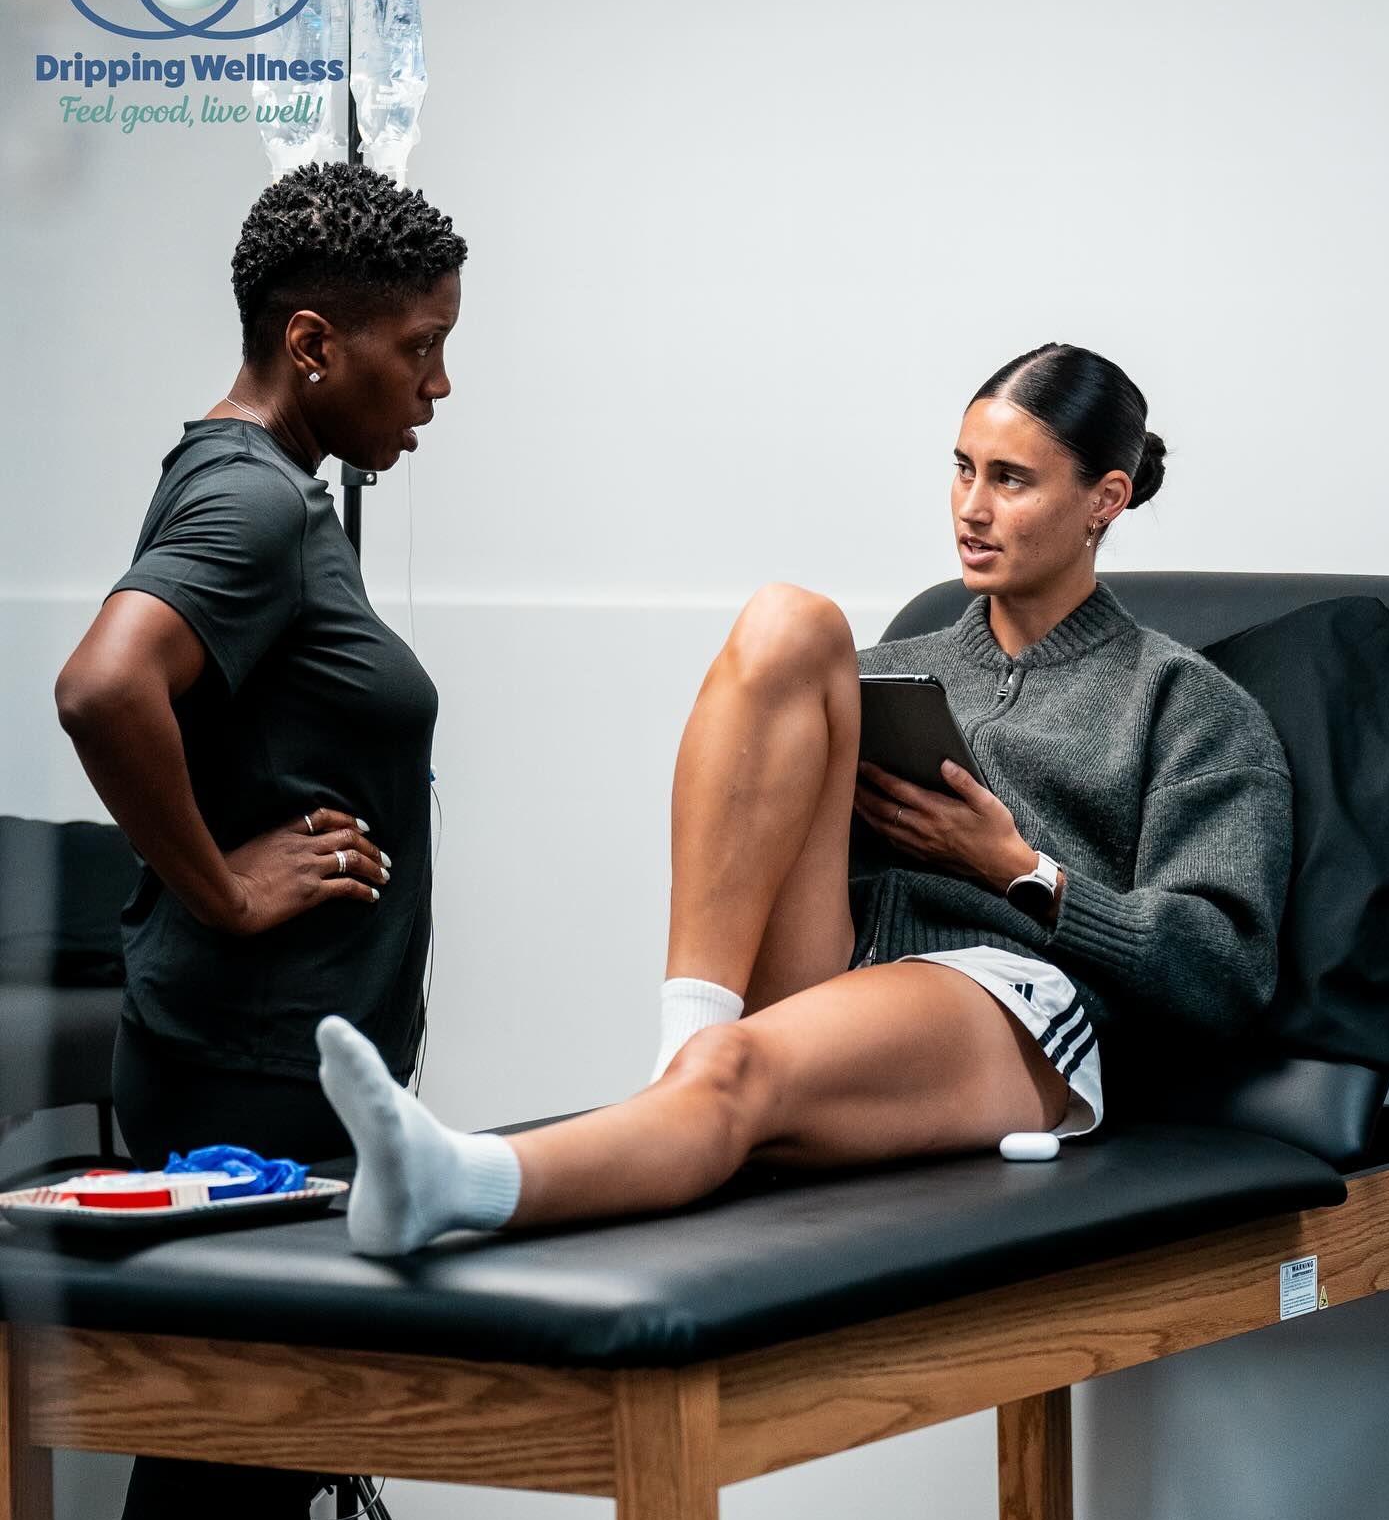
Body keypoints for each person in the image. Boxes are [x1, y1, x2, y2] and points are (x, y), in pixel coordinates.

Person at [311, 342, 1294, 1258]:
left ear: (1104, 500)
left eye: (1011, 480)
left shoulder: (1183, 703)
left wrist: (1017, 869)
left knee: (734, 1074)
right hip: (852, 967)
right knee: (789, 621)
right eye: (962, 469)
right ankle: (686, 1042)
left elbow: (1225, 971)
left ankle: (459, 1180)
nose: (971, 508)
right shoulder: (896, 666)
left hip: (1012, 1003)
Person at [53, 160, 467, 1520]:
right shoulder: (259, 506)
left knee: (239, 1492)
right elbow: (103, 686)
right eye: (420, 347)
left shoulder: (255, 482)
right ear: (312, 344)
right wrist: (223, 888)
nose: (438, 387)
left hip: (265, 1057)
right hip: (250, 1070)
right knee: (222, 1491)